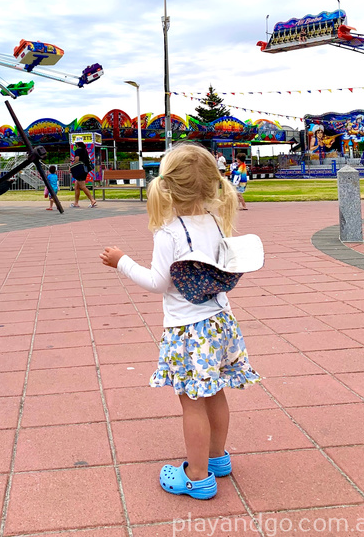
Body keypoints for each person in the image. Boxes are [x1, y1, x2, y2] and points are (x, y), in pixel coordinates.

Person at [100, 144, 259, 500]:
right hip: (221, 322)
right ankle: (217, 458)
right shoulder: (218, 222)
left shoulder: (168, 233)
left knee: (191, 402)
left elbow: (158, 283)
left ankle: (198, 476)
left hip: (189, 332)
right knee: (215, 391)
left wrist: (122, 262)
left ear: (167, 186)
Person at [70, 141, 97, 208]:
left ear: (77, 145)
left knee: (82, 186)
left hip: (80, 170)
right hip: (85, 169)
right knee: (76, 186)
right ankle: (76, 203)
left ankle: (92, 200)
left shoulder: (77, 150)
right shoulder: (85, 151)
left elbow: (77, 159)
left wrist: (72, 167)